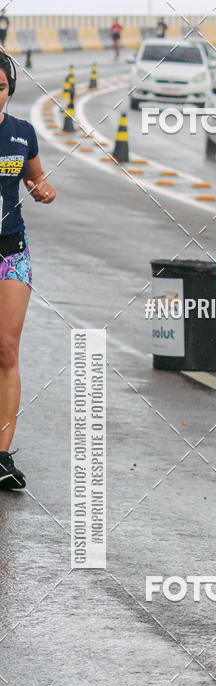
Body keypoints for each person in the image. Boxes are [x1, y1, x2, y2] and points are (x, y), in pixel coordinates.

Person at [0, 51, 56, 490]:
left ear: (9, 90)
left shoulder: (22, 134)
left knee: (6, 351)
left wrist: (42, 189)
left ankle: (1, 456)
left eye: (0, 89)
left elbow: (35, 179)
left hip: (10, 252)